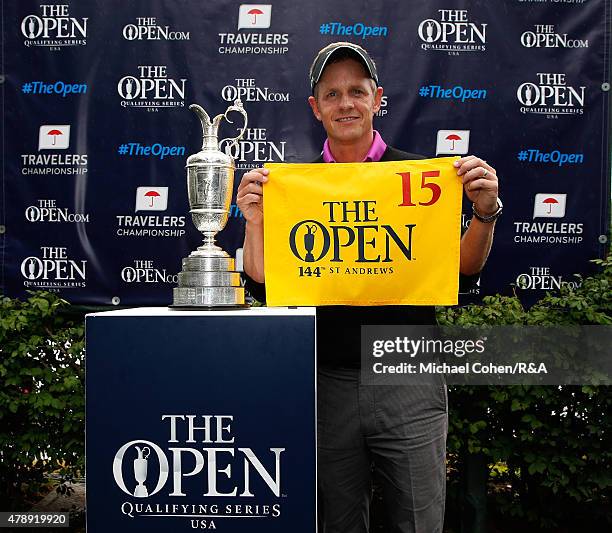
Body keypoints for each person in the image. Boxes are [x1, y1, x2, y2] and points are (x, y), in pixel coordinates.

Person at [236, 42, 500, 533]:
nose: (346, 103)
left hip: (409, 378)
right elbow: (264, 280)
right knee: (336, 522)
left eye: (357, 91)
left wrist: (484, 212)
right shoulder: (295, 185)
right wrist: (254, 222)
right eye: (332, 94)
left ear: (377, 98)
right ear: (316, 108)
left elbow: (462, 272)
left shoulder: (421, 176)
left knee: (419, 521)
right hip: (324, 381)